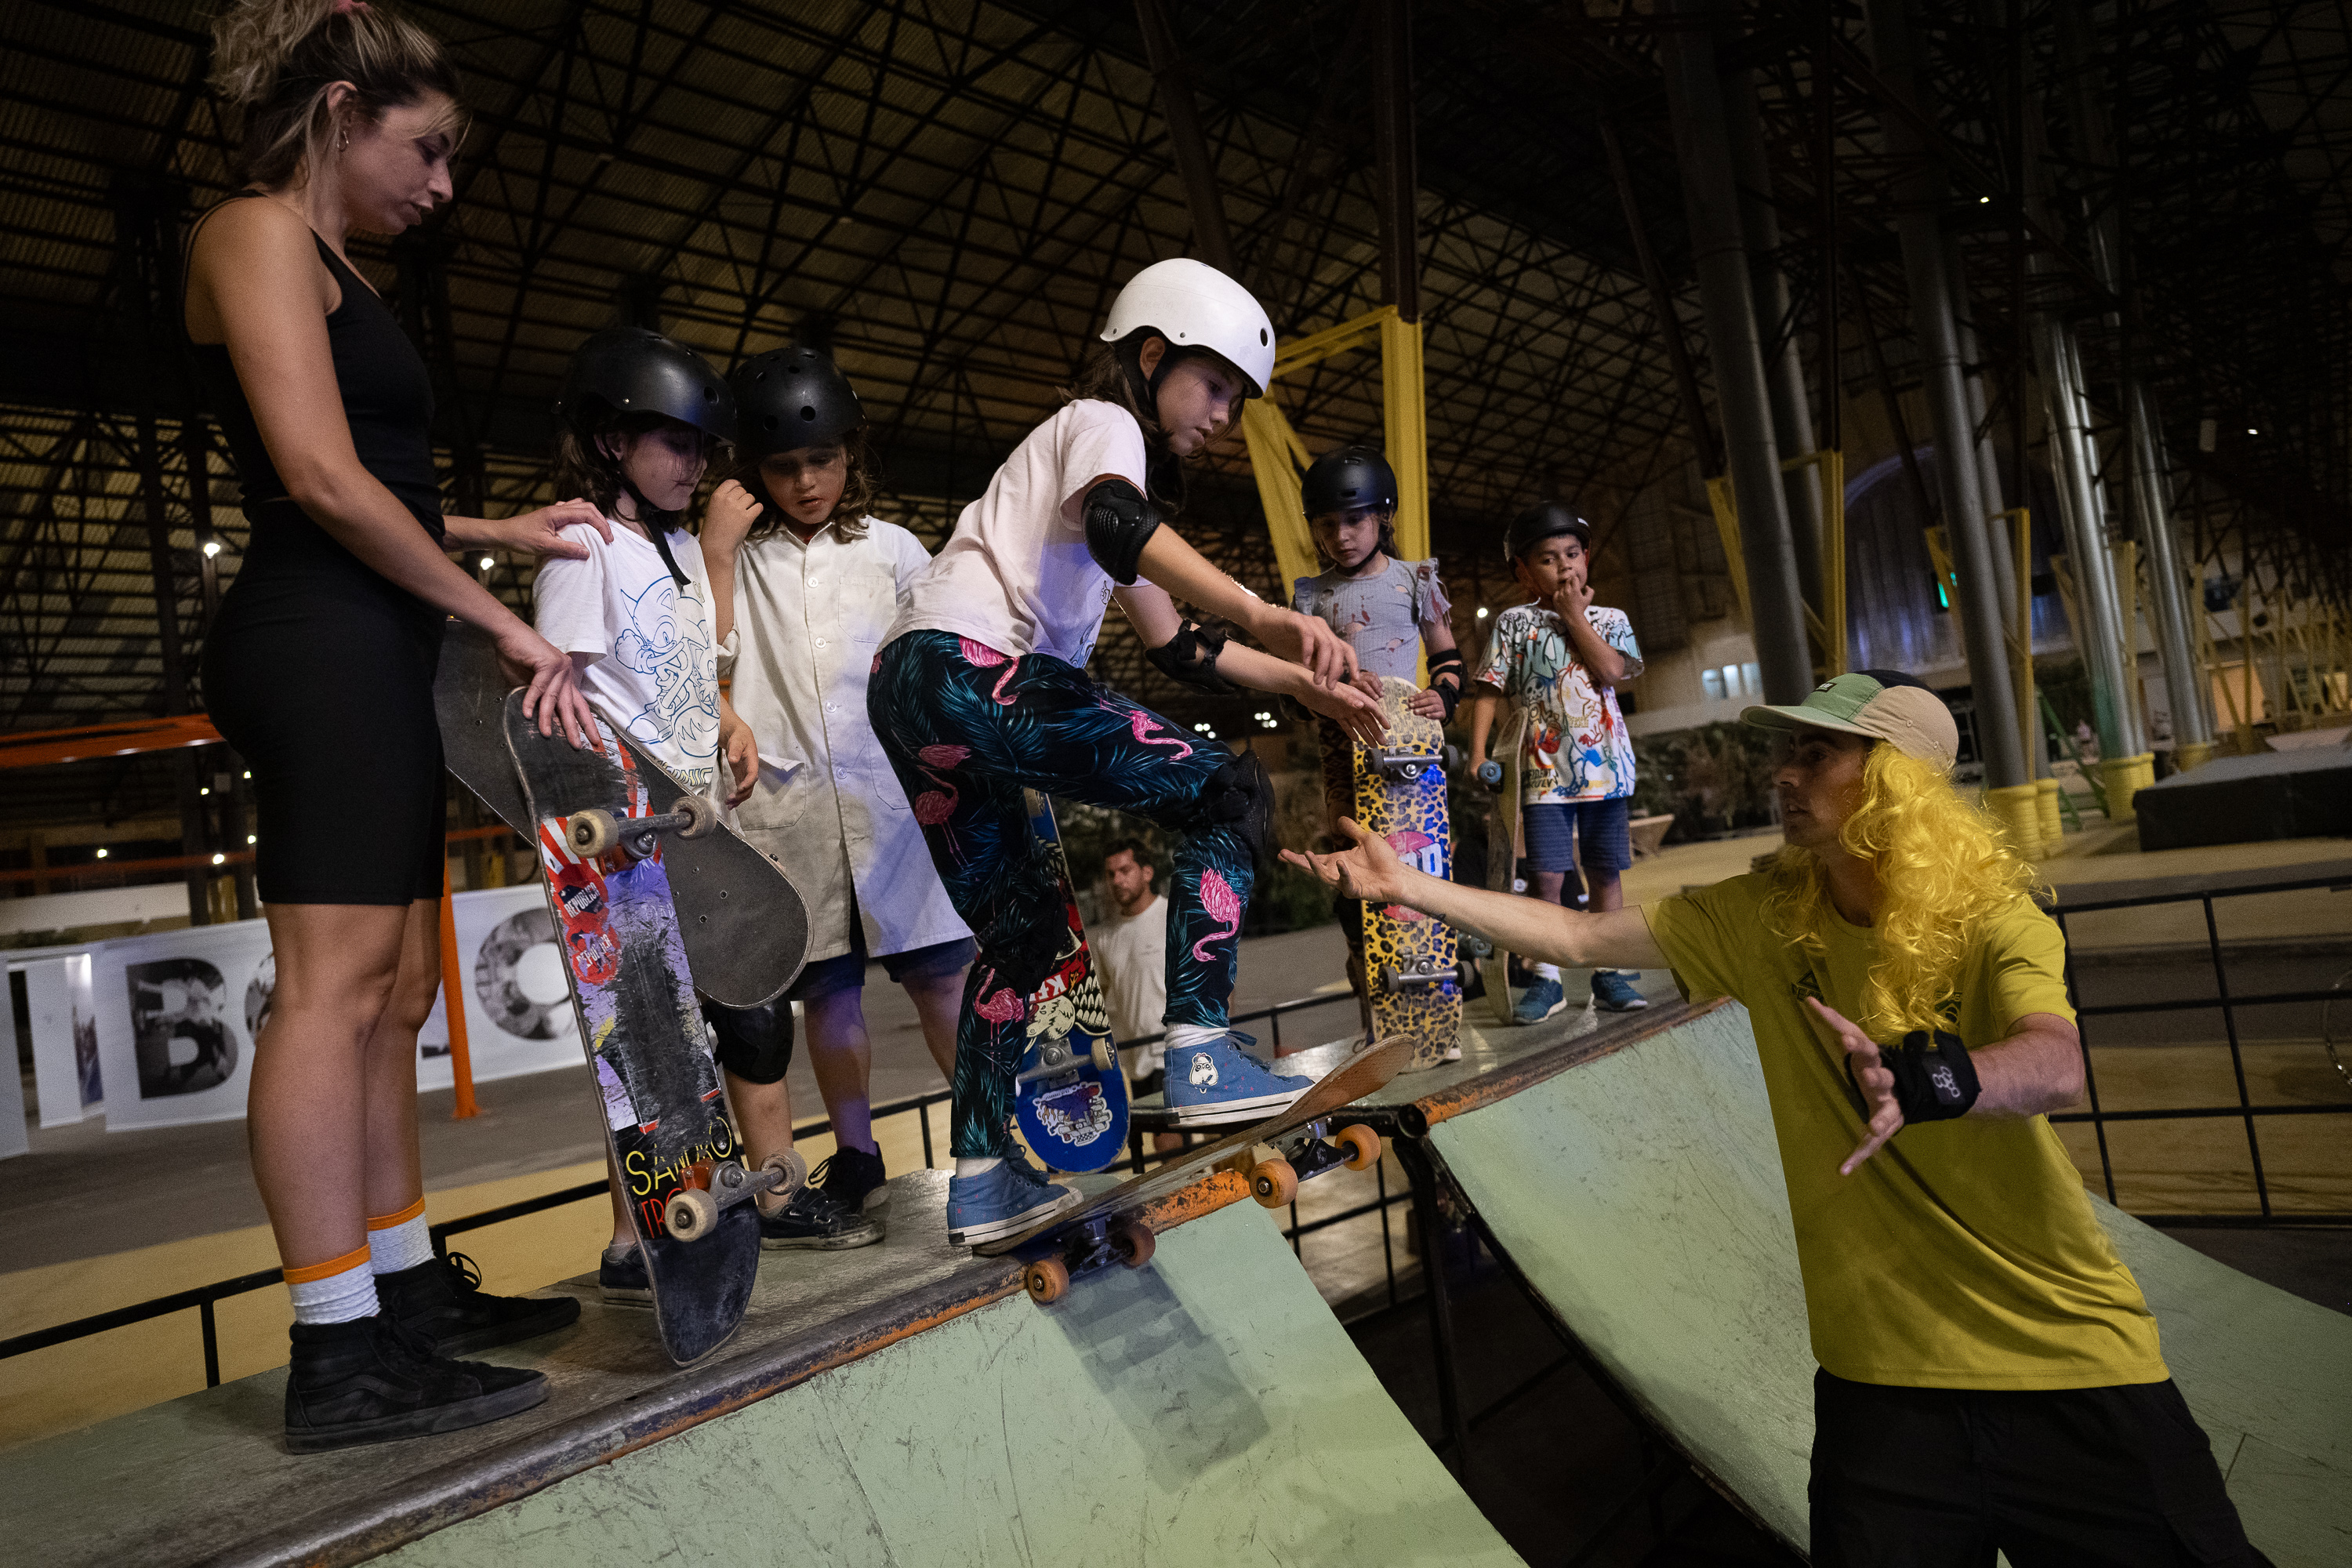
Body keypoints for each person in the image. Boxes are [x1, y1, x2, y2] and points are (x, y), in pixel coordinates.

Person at [1287, 670, 2271, 1567]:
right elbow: (1583, 933)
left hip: (2066, 1360)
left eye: (1818, 754)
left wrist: (1938, 1077)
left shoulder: (1994, 918)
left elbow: (2056, 1060)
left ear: (1894, 782)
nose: (1786, 773)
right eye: (1787, 751)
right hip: (1881, 1384)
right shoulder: (1764, 913)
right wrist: (1403, 886)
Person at [187, 0, 593, 1450]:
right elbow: (314, 474)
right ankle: (333, 1344)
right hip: (317, 640)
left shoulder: (341, 269)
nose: (441, 185)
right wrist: (498, 616)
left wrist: (499, 527)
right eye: (423, 151)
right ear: (344, 114)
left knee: (403, 989)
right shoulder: (252, 232)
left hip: (375, 636)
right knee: (334, 986)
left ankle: (404, 1291)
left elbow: (384, 480)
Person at [868, 257, 1385, 1246]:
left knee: (1020, 942)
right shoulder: (1102, 426)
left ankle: (983, 1175)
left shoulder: (1080, 489)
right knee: (1229, 793)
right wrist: (1265, 607)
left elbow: (1179, 643)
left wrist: (1299, 677)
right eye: (1217, 386)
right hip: (975, 667)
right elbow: (1121, 520)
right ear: (1151, 357)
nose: (1226, 415)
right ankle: (1199, 1045)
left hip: (914, 688)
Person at [530, 326, 875, 1299]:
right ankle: (632, 1238)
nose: (693, 464)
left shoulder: (677, 546)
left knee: (756, 1014)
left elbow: (687, 662)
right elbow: (557, 702)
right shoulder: (585, 548)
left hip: (701, 826)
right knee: (651, 1045)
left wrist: (723, 715)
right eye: (672, 443)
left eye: (699, 446)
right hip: (625, 839)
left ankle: (773, 1192)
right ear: (611, 443)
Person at [699, 345, 975, 1227]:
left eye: (822, 460)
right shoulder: (741, 556)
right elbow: (710, 656)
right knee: (829, 988)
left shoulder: (891, 547)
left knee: (942, 979)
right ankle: (856, 1150)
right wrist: (714, 550)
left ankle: (989, 1132)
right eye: (784, 467)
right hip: (790, 808)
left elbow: (938, 648)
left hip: (895, 804)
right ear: (754, 468)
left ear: (851, 454)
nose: (808, 481)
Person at [1289, 445, 1463, 1037]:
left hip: (1409, 749)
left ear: (1383, 517)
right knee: (1353, 870)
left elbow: (1447, 657)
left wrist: (1446, 696)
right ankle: (1373, 991)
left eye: (1355, 520)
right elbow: (1293, 689)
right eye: (1327, 524)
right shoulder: (1311, 597)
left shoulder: (1416, 580)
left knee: (1425, 864)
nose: (1341, 536)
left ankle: (1437, 991)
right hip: (1342, 751)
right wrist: (1330, 681)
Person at [1464, 503, 1646, 1021]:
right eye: (1547, 559)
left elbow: (1613, 671)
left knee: (1605, 872)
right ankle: (1547, 978)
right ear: (1522, 572)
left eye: (1572, 554)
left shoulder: (1610, 620)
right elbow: (1487, 691)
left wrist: (1573, 617)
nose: (1564, 567)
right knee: (1546, 877)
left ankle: (1609, 969)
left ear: (1586, 558)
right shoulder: (1513, 624)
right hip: (1542, 774)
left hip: (1607, 771)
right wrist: (1478, 754)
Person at [1091, 838, 1181, 1156]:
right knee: (1177, 1142)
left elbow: (1214, 976)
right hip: (1136, 1059)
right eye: (1111, 874)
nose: (1117, 880)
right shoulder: (1105, 937)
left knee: (1168, 1139)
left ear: (1146, 872)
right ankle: (1205, 1199)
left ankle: (1217, 1200)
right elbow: (1097, 999)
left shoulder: (1173, 915)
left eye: (1125, 870)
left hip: (1176, 1049)